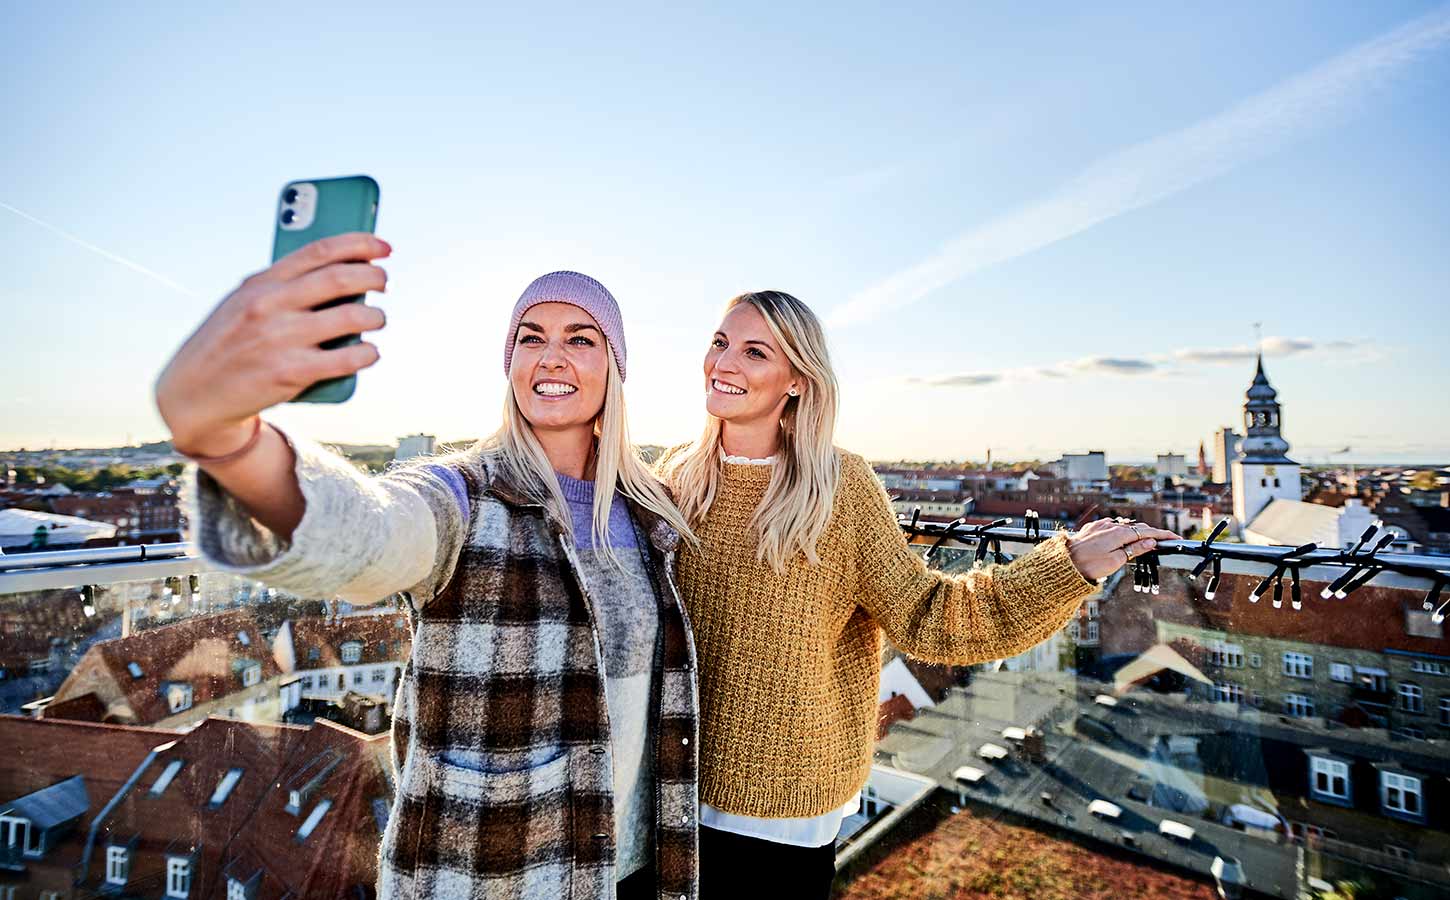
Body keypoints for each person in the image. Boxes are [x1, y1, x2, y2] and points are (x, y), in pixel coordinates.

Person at [155, 236, 701, 900]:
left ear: (614, 367)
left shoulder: (653, 515)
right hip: (496, 878)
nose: (551, 356)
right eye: (531, 338)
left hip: (637, 871)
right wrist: (227, 438)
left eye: (581, 339)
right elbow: (374, 531)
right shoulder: (464, 496)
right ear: (511, 363)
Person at [656, 290, 1178, 899]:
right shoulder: (673, 477)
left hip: (778, 811)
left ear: (796, 380)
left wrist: (1065, 569)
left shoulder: (838, 487)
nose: (725, 362)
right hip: (666, 794)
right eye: (720, 342)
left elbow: (931, 617)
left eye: (754, 352)